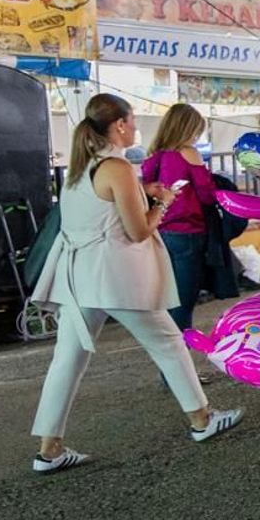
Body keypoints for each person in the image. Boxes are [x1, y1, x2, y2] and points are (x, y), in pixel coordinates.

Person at [28, 94, 243, 473]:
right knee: (169, 342)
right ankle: (202, 419)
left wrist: (148, 192)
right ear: (120, 125)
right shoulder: (117, 167)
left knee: (67, 360)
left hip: (78, 278)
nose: (136, 128)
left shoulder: (81, 166)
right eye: (131, 121)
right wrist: (163, 203)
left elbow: (102, 209)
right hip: (116, 277)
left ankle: (49, 449)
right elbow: (139, 230)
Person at [140, 104, 219, 331]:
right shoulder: (189, 153)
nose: (197, 137)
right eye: (196, 131)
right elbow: (206, 194)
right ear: (188, 129)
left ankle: (168, 347)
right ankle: (178, 350)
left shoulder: (153, 155)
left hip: (158, 229)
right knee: (184, 300)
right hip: (187, 230)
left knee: (167, 299)